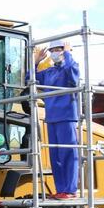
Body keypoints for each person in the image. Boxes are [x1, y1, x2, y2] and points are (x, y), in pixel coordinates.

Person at [35, 40, 81, 199]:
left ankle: (70, 189)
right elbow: (30, 77)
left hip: (66, 117)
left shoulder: (71, 67)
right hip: (51, 117)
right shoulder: (49, 72)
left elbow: (73, 77)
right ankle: (61, 189)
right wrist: (36, 61)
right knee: (55, 155)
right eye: (52, 50)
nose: (55, 52)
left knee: (68, 153)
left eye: (58, 50)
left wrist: (68, 53)